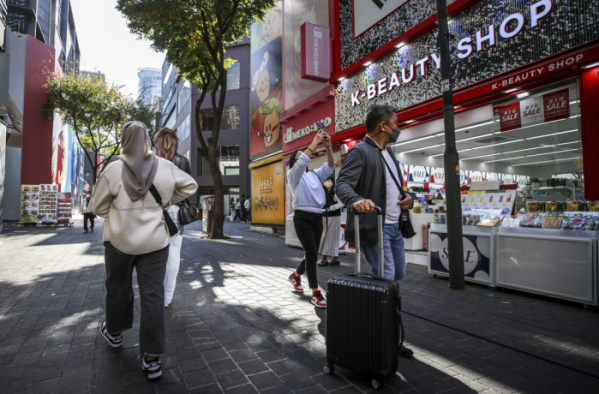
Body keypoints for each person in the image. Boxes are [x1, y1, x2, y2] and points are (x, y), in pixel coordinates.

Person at [93, 121, 197, 380]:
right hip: (155, 243)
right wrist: (166, 200)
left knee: (118, 288)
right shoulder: (166, 167)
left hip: (119, 242)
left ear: (125, 139)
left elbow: (98, 208)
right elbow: (191, 186)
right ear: (148, 140)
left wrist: (116, 214)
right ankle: (152, 359)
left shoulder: (114, 169)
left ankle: (115, 334)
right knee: (152, 297)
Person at [336, 104, 414, 358]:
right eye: (396, 122)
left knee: (396, 273)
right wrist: (356, 199)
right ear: (384, 126)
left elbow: (395, 188)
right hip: (374, 228)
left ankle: (371, 307)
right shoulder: (360, 151)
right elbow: (342, 184)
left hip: (394, 227)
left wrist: (408, 198)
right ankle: (387, 338)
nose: (398, 127)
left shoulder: (389, 153)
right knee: (387, 279)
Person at [287, 131, 334, 309]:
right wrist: (313, 144)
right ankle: (315, 293)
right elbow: (300, 165)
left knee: (312, 253)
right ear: (295, 162)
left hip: (317, 216)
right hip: (302, 218)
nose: (303, 158)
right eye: (299, 157)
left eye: (303, 155)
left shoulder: (315, 175)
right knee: (312, 253)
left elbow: (330, 167)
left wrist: (328, 148)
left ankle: (296, 276)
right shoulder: (293, 176)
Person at [154, 127, 192, 307]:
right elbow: (188, 189)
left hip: (155, 211)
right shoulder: (182, 161)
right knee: (174, 253)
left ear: (157, 143)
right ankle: (167, 298)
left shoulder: (151, 161)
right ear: (175, 142)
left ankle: (154, 292)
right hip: (176, 212)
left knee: (154, 253)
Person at [318, 178, 344, 267]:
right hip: (325, 216)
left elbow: (342, 203)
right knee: (330, 237)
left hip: (334, 216)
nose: (326, 181)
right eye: (324, 180)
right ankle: (336, 258)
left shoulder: (335, 191)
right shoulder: (323, 190)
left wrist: (330, 208)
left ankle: (324, 259)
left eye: (328, 179)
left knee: (328, 237)